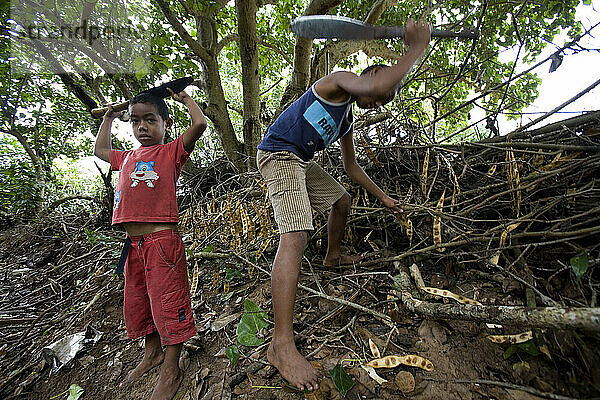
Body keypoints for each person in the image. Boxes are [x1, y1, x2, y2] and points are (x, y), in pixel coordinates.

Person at [256, 18, 431, 391]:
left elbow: (352, 167)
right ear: (367, 76)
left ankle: (332, 256)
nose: (382, 97)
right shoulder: (336, 81)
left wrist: (384, 198)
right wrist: (416, 47)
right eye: (382, 90)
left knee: (342, 200)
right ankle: (281, 344)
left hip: (301, 160)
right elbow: (381, 81)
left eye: (387, 98)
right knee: (296, 233)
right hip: (278, 153)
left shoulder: (345, 118)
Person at [94, 88, 207, 400]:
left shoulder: (170, 152)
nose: (142, 126)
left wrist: (184, 99)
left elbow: (199, 126)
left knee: (168, 303)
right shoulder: (127, 157)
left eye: (150, 120)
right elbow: (101, 150)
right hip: (134, 246)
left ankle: (172, 368)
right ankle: (152, 354)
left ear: (165, 123)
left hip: (161, 243)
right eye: (136, 121)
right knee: (140, 304)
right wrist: (108, 117)